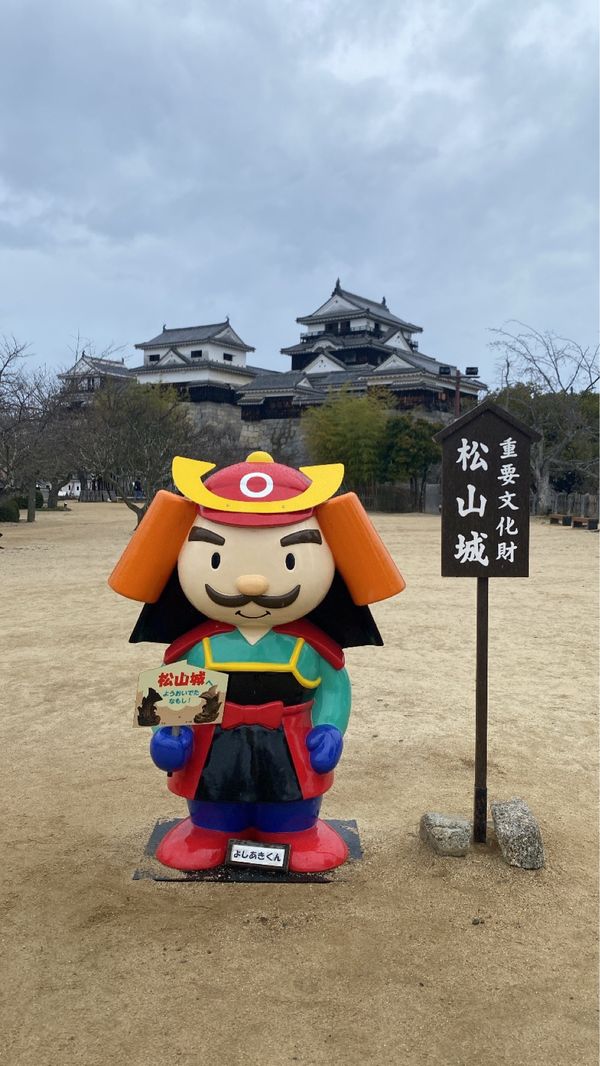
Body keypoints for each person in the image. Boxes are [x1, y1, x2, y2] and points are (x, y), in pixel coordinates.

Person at [109, 451, 405, 872]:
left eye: (289, 560)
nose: (252, 583)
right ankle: (208, 830)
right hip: (215, 746)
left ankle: (295, 831)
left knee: (289, 807)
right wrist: (169, 738)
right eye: (215, 559)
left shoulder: (309, 647)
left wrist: (329, 729)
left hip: (289, 743)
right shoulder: (199, 646)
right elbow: (174, 699)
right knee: (215, 804)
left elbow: (334, 689)